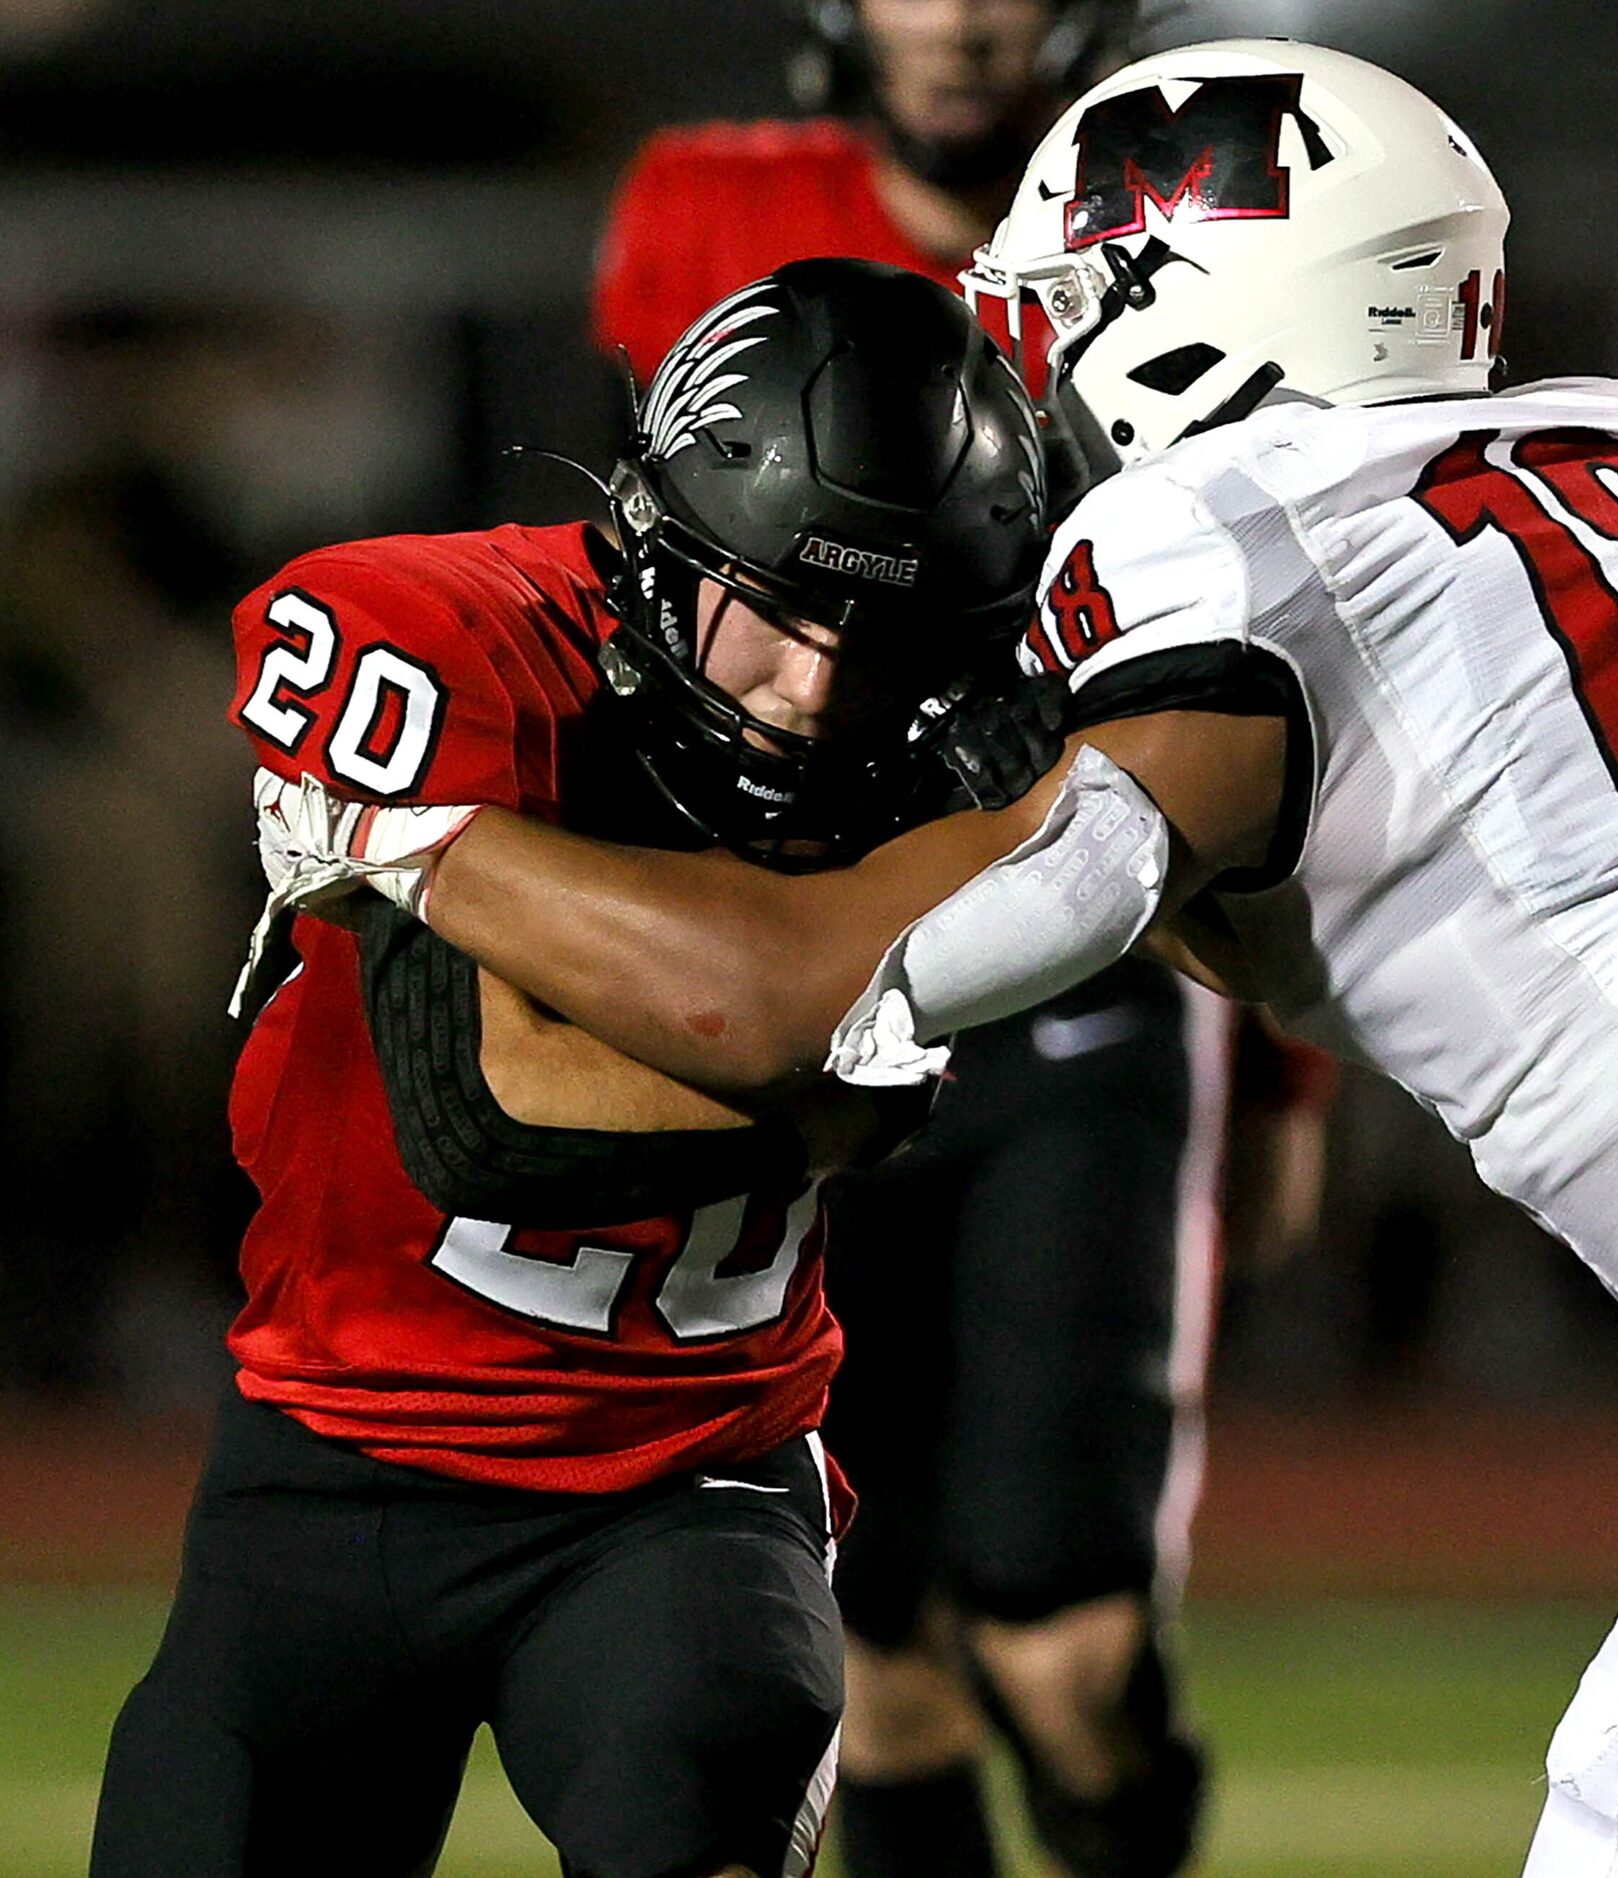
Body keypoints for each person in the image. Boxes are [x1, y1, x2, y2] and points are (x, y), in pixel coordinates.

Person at [249, 38, 1618, 1876]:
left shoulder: (1222, 525)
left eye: (1079, 305)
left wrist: (409, 840)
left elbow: (794, 991)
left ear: (1201, 307)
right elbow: (1375, 874)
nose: (1051, 372)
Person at [93, 260, 1049, 1878]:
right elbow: (485, 1116)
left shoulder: (975, 746)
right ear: (669, 540)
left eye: (883, 639)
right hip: (335, 1462)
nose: (819, 690)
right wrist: (808, 1032)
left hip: (689, 1486)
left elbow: (726, 1076)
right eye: (789, 612)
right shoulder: (429, 635)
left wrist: (440, 862)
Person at [596, 8, 1226, 1876]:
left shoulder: (1179, 220)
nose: (955, 15)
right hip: (801, 963)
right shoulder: (699, 204)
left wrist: (1276, 1066)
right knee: (873, 1657)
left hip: (1080, 960)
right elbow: (611, 578)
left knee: (1068, 1643)